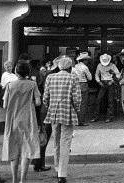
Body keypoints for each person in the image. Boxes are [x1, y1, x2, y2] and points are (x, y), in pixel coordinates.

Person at [43, 55, 81, 183]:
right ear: (70, 67)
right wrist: (77, 109)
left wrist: (50, 106)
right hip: (67, 112)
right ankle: (62, 173)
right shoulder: (73, 78)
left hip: (53, 112)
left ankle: (57, 167)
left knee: (56, 142)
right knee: (65, 142)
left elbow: (45, 98)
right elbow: (76, 98)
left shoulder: (50, 77)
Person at [2, 61, 41, 183]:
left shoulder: (9, 85)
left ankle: (14, 179)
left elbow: (5, 105)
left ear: (15, 72)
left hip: (13, 119)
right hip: (28, 119)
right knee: (26, 149)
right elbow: (38, 102)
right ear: (28, 72)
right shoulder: (32, 84)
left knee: (14, 150)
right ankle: (23, 180)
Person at [91, 53, 120, 123]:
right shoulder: (99, 65)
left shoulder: (113, 65)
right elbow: (96, 74)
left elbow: (118, 74)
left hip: (110, 82)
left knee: (110, 100)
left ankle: (110, 117)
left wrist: (112, 81)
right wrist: (99, 82)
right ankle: (96, 117)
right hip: (102, 83)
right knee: (98, 100)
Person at [72, 52, 93, 126]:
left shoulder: (75, 67)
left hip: (76, 85)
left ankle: (76, 120)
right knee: (83, 104)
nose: (87, 61)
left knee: (76, 103)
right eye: (86, 60)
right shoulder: (85, 67)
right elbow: (90, 78)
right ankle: (81, 121)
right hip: (83, 84)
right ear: (84, 60)